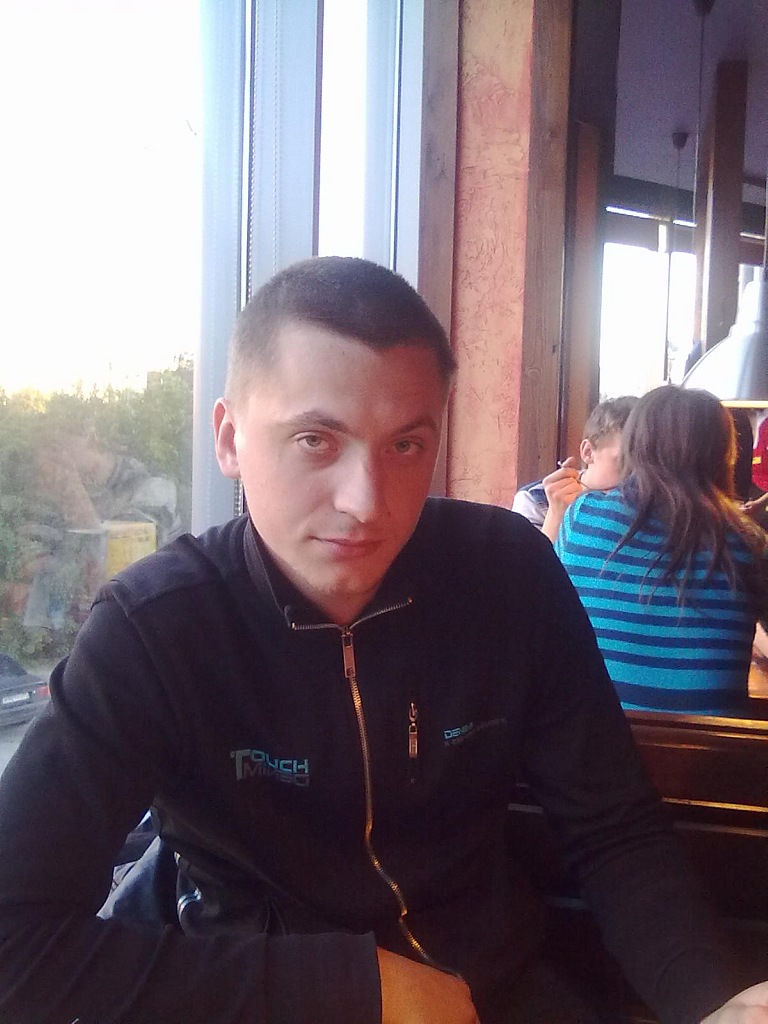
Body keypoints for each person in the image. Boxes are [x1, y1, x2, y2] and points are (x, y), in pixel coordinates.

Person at [0, 258, 767, 1024]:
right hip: (260, 999)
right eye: (315, 440)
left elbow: (613, 830)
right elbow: (14, 942)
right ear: (230, 439)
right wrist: (356, 987)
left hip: (495, 989)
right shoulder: (156, 629)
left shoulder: (508, 574)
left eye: (405, 445)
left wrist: (714, 1001)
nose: (366, 503)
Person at [555, 385, 768, 715]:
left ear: (635, 444)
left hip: (600, 739)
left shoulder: (583, 517)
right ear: (722, 454)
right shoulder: (748, 542)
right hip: (710, 744)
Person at [511, 395, 636, 542]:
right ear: (588, 452)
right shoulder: (535, 500)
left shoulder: (647, 501)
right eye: (625, 460)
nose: (636, 473)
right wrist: (556, 515)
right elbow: (528, 557)